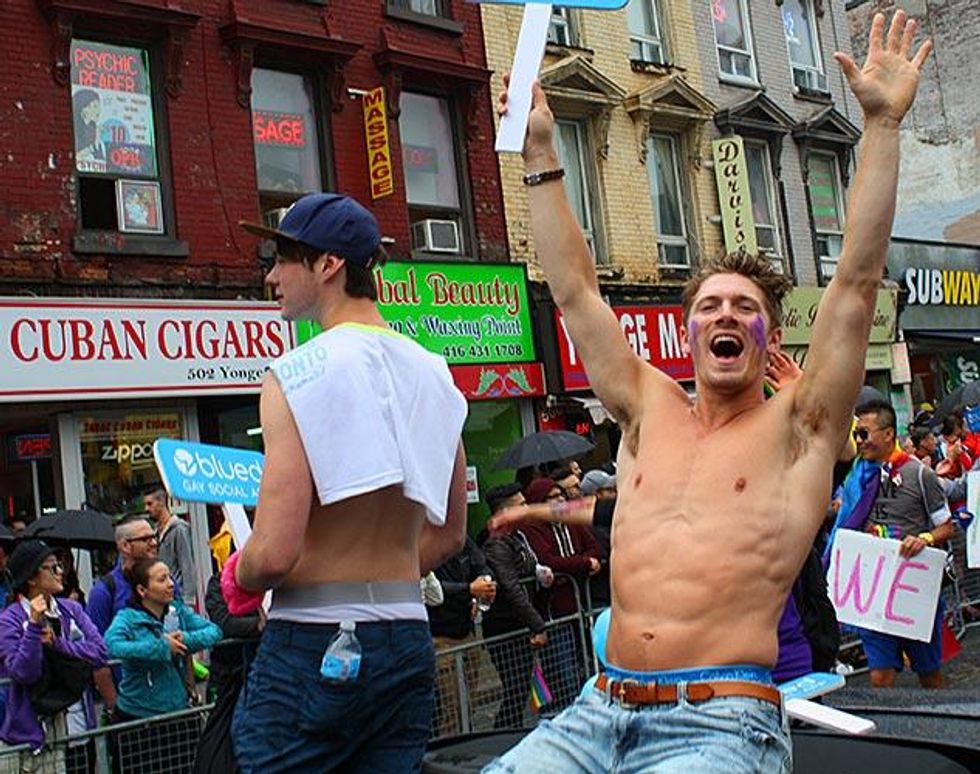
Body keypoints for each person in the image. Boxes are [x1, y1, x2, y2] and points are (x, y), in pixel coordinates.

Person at [488, 10, 931, 771]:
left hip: (721, 721)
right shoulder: (644, 407)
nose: (726, 315)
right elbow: (575, 293)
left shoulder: (801, 427)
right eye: (709, 306)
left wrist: (882, 129)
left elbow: (855, 285)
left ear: (767, 339)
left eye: (746, 309)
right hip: (597, 709)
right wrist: (539, 154)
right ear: (689, 332)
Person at [223, 192, 468, 773]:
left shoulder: (295, 374)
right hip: (407, 635)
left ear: (328, 264)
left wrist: (241, 572)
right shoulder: (436, 373)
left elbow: (276, 552)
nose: (270, 275)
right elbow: (451, 534)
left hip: (315, 638)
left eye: (282, 257)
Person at [851, 399, 954, 688]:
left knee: (929, 673)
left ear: (887, 433)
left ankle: (940, 726)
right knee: (880, 676)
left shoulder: (920, 474)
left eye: (864, 433)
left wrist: (924, 539)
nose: (860, 441)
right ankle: (887, 731)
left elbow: (947, 526)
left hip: (913, 588)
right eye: (856, 434)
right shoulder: (857, 476)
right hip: (874, 589)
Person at [104, 558, 220, 773]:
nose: (170, 584)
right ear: (142, 589)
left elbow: (214, 631)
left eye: (170, 577)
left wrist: (184, 640)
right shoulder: (127, 618)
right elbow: (111, 646)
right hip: (138, 721)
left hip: (178, 716)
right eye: (162, 579)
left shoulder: (178, 610)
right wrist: (160, 647)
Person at [0, 540, 107, 771]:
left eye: (59, 566)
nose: (60, 573)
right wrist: (33, 626)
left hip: (80, 727)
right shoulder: (9, 619)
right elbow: (22, 673)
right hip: (37, 736)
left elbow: (99, 652)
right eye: (52, 567)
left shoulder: (71, 609)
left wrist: (59, 644)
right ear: (31, 578)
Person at [481, 484, 552, 729]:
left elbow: (528, 567)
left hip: (519, 624)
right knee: (516, 687)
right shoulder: (496, 543)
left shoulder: (517, 537)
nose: (526, 508)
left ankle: (512, 731)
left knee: (522, 688)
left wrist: (539, 571)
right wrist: (537, 625)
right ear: (507, 510)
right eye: (521, 504)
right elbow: (511, 587)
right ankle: (502, 734)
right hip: (504, 627)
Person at [429, 537, 496, 737]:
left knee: (469, 702)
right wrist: (468, 590)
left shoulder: (462, 541)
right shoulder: (424, 541)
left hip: (466, 632)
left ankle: (467, 740)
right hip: (439, 637)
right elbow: (432, 589)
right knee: (452, 706)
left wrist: (483, 587)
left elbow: (483, 567)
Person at [145, 487, 196, 604]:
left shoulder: (179, 529)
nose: (146, 509)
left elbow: (187, 565)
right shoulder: (155, 533)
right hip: (162, 597)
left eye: (149, 504)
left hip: (178, 597)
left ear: (162, 503)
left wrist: (189, 600)